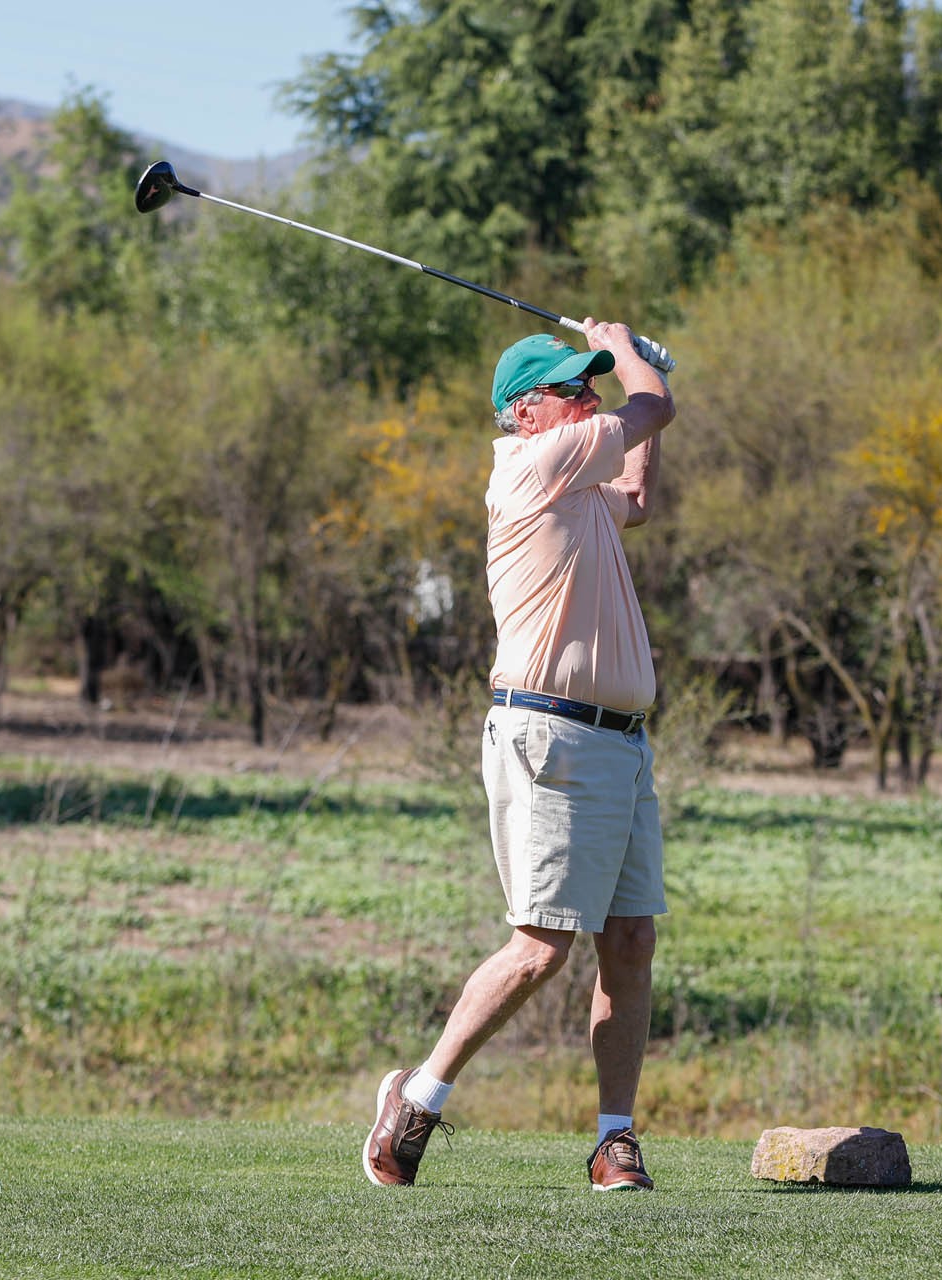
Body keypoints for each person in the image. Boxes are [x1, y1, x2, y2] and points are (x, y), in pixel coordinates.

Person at [363, 320, 676, 1192]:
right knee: (541, 947)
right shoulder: (533, 466)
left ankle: (614, 1142)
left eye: (593, 385)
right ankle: (417, 1097)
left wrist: (643, 373)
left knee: (630, 940)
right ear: (524, 412)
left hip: (620, 742)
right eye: (573, 389)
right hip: (551, 735)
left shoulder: (580, 486)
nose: (589, 399)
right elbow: (654, 408)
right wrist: (627, 349)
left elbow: (639, 493)